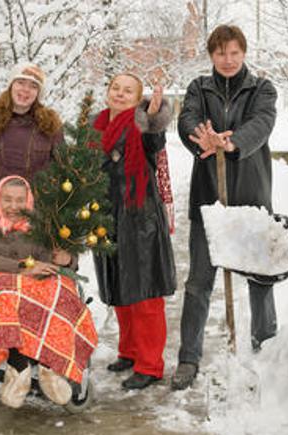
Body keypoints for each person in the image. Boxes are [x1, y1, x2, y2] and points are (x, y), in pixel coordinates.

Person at [172, 24, 278, 390]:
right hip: (209, 200)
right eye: (220, 53)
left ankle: (266, 347)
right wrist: (203, 137)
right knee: (199, 282)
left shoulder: (261, 88)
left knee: (260, 278)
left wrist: (231, 143)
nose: (228, 60)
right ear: (211, 56)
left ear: (244, 52)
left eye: (234, 52)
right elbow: (187, 117)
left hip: (251, 199)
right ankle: (189, 358)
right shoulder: (199, 88)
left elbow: (262, 123)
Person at [0, 175, 98, 408]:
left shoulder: (42, 225)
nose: (13, 207)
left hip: (38, 285)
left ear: (29, 201)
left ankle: (49, 367)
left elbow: (62, 258)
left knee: (61, 292)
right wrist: (24, 267)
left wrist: (67, 259)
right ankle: (19, 364)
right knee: (9, 294)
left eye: (20, 201)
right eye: (7, 200)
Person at [92, 73, 177, 390]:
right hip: (106, 216)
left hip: (140, 219)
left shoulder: (141, 125)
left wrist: (154, 117)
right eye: (115, 87)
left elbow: (155, 141)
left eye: (128, 91)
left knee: (145, 294)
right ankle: (129, 352)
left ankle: (150, 365)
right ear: (107, 91)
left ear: (138, 97)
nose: (120, 94)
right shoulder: (96, 125)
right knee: (119, 289)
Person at [0, 62, 63, 210]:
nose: (26, 90)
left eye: (33, 86)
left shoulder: (51, 126)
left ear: (38, 93)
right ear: (11, 85)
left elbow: (61, 167)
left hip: (38, 213)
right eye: (21, 82)